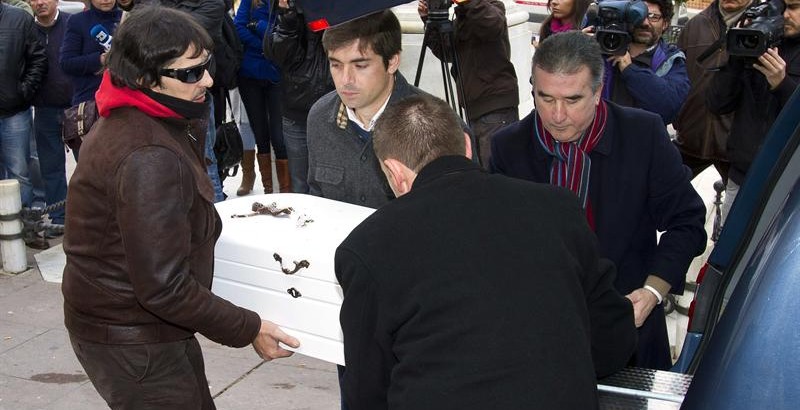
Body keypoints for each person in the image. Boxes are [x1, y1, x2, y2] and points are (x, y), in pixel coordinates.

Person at [61, 6, 299, 409]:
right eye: (190, 73)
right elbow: (164, 286)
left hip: (141, 330)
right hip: (133, 338)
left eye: (206, 65)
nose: (207, 79)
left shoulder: (147, 117)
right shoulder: (148, 155)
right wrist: (249, 327)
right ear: (144, 78)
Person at [336, 93, 637, 410]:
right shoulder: (557, 208)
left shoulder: (367, 248)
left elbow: (367, 393)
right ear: (467, 146)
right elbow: (613, 340)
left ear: (395, 172)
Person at [491, 31, 707, 370]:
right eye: (545, 98)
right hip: (538, 336)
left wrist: (652, 291)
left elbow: (688, 222)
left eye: (572, 100)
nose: (557, 115)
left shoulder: (642, 135)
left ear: (597, 92)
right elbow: (496, 239)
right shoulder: (509, 146)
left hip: (628, 327)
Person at [306, 10, 426, 208]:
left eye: (360, 65)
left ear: (392, 61)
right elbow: (316, 201)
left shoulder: (435, 126)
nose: (346, 80)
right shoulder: (319, 117)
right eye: (336, 65)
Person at [707, 0, 800, 221]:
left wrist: (782, 85)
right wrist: (737, 56)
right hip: (743, 177)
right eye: (782, 7)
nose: (785, 15)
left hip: (791, 184)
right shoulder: (760, 41)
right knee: (729, 242)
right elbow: (717, 103)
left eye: (794, 7)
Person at [417, 0, 519, 168]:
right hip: (474, 107)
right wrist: (429, 18)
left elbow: (492, 24)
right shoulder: (462, 16)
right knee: (482, 170)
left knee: (496, 171)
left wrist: (469, 2)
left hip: (495, 108)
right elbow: (447, 53)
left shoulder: (491, 8)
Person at [673, 0, 755, 182]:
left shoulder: (764, 26)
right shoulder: (695, 24)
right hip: (691, 136)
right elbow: (677, 74)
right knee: (662, 192)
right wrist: (679, 118)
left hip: (736, 147)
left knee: (742, 200)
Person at [266, 0, 334, 194]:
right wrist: (288, 17)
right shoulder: (291, 11)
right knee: (300, 183)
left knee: (331, 184)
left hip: (334, 111)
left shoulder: (342, 10)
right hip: (297, 112)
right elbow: (278, 55)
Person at [604, 0, 689, 125]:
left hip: (642, 137)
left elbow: (669, 107)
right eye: (637, 14)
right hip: (601, 133)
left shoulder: (672, 60)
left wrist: (629, 70)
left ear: (665, 24)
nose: (644, 23)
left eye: (653, 17)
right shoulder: (605, 48)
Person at [234, 0, 287, 194]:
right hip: (250, 75)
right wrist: (266, 45)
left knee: (279, 137)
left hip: (278, 75)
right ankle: (268, 190)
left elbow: (286, 34)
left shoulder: (287, 4)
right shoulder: (250, 1)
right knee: (260, 135)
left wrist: (258, 26)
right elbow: (239, 27)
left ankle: (286, 191)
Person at [30, 0, 73, 229]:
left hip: (76, 108)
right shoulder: (26, 28)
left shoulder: (72, 24)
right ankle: (59, 219)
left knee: (89, 164)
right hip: (44, 109)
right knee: (51, 168)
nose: (40, 2)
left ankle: (93, 216)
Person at [0, 0, 47, 207]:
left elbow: (38, 59)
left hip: (15, 112)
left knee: (19, 172)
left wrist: (24, 91)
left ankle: (24, 218)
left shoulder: (19, 18)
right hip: (15, 108)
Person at [59, 0, 120, 106]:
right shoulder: (78, 21)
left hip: (125, 99)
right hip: (91, 100)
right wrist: (100, 60)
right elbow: (66, 63)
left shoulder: (128, 19)